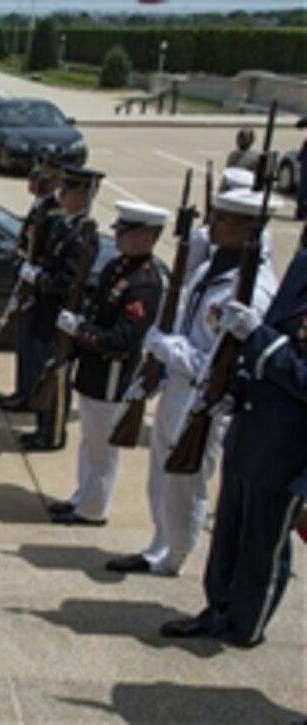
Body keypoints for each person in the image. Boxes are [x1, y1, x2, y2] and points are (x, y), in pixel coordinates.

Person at [107, 188, 278, 576]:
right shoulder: (209, 269)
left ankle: (175, 555)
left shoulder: (253, 290)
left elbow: (223, 365)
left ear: (248, 227)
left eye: (222, 219)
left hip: (204, 400)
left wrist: (169, 351)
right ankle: (159, 543)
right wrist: (154, 373)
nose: (210, 225)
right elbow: (183, 324)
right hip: (177, 389)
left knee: (186, 482)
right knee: (161, 477)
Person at [161, 193, 303, 648]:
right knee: (229, 533)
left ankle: (246, 625)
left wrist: (258, 339)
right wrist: (236, 387)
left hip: (288, 443)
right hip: (253, 426)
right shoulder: (300, 274)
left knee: (264, 542)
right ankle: (217, 607)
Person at [48, 201, 165, 526]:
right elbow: (98, 309)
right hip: (93, 370)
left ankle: (94, 509)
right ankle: (82, 497)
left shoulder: (145, 283)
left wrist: (80, 330)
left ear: (146, 238)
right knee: (89, 443)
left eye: (127, 233)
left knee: (102, 450)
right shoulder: (118, 268)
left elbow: (121, 339)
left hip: (111, 375)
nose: (120, 237)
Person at [16, 164, 104, 452]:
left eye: (66, 190)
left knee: (56, 374)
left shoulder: (84, 235)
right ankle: (42, 426)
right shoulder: (61, 225)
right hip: (44, 311)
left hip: (59, 314)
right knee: (43, 369)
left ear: (82, 196)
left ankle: (52, 434)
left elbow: (66, 281)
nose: (60, 194)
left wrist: (38, 278)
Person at [0, 162, 62, 413]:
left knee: (35, 350)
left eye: (37, 179)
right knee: (24, 345)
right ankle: (22, 391)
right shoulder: (39, 208)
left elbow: (45, 255)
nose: (31, 182)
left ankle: (31, 396)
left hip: (38, 291)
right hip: (26, 286)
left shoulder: (53, 214)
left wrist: (33, 278)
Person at [185, 166, 267, 282]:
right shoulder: (265, 237)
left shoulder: (202, 237)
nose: (214, 224)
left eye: (221, 218)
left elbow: (187, 272)